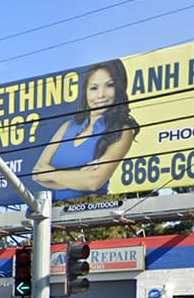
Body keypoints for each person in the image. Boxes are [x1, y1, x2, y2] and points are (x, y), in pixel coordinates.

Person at [33, 58, 139, 198]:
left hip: (91, 212)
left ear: (119, 88)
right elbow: (37, 173)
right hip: (53, 213)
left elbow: (94, 182)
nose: (101, 95)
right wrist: (79, 177)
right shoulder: (67, 127)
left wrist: (51, 174)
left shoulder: (122, 131)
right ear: (86, 92)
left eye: (109, 85)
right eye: (94, 88)